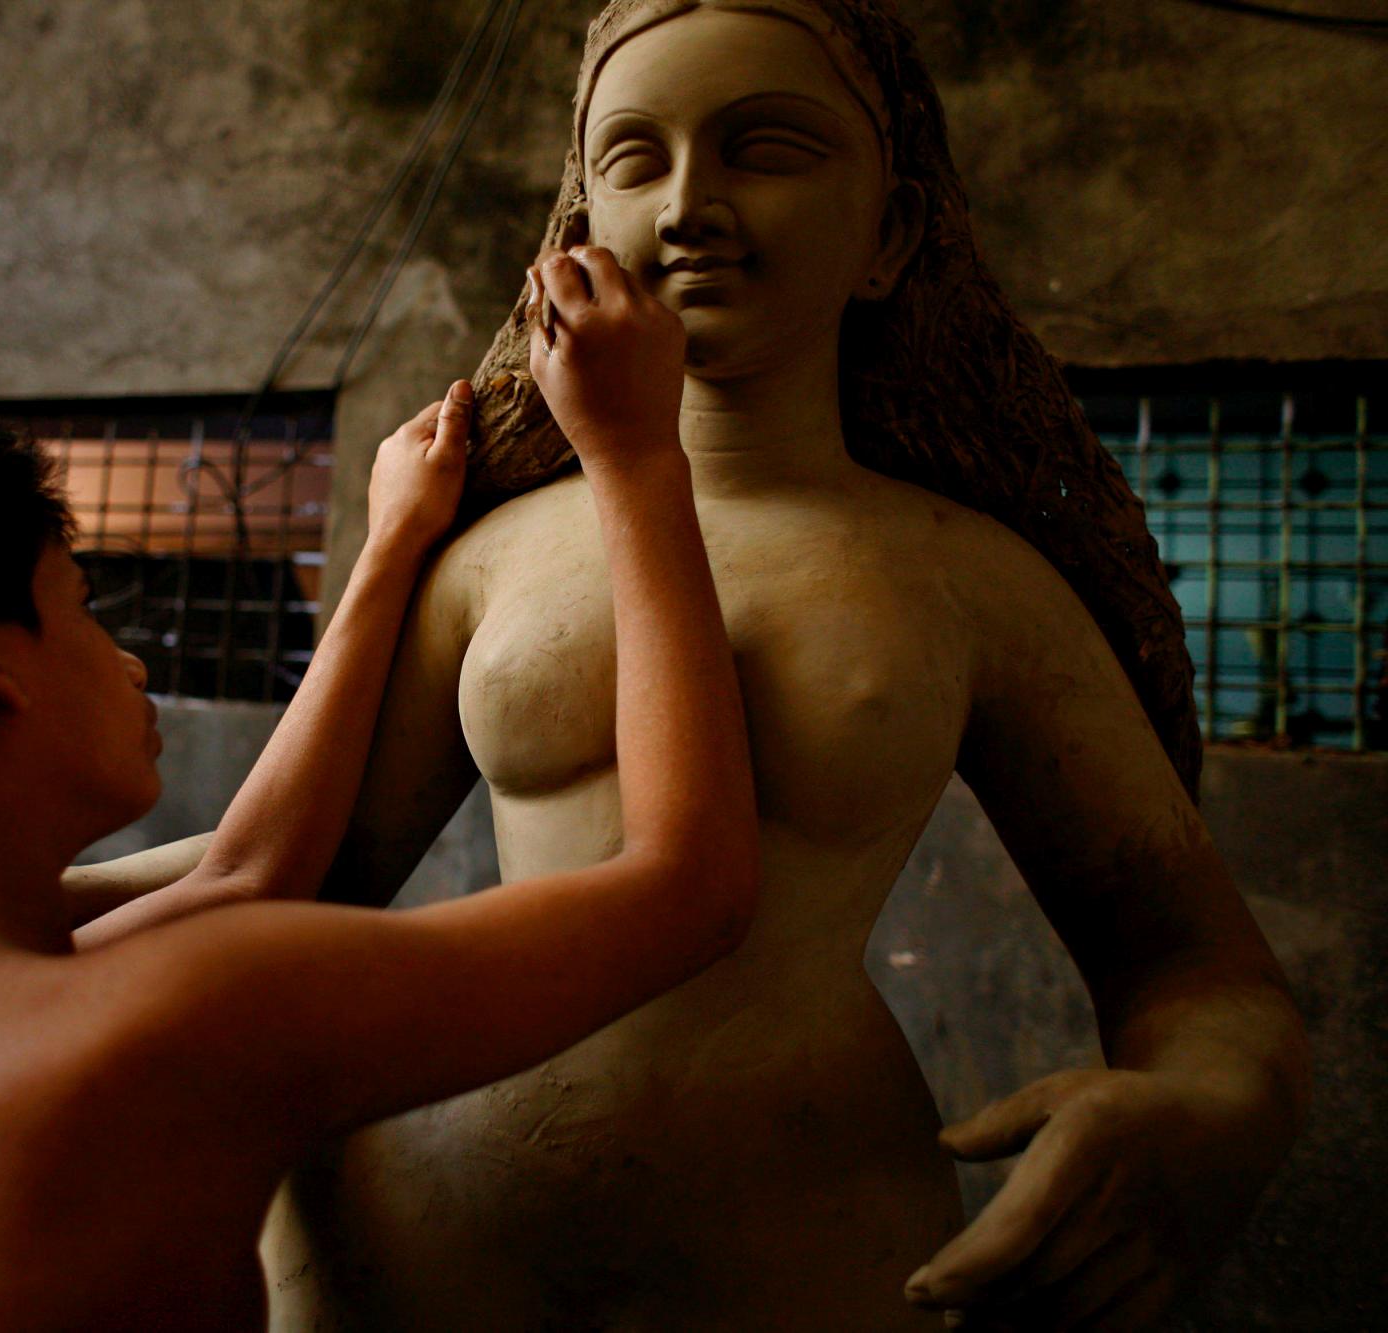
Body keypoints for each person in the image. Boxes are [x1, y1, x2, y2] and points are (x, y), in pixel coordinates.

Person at [82, 3, 1309, 1329]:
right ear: (575, 231)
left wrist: (1203, 1107)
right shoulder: (484, 556)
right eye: (633, 158)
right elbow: (282, 874)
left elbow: (1196, 968)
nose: (690, 206)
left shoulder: (971, 580)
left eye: (766, 148)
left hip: (795, 1252)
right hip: (405, 1242)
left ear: (890, 233)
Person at [0, 268, 758, 1331]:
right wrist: (635, 454)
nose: (126, 662)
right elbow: (689, 888)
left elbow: (247, 870)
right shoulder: (178, 1018)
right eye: (81, 607)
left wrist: (385, 552)